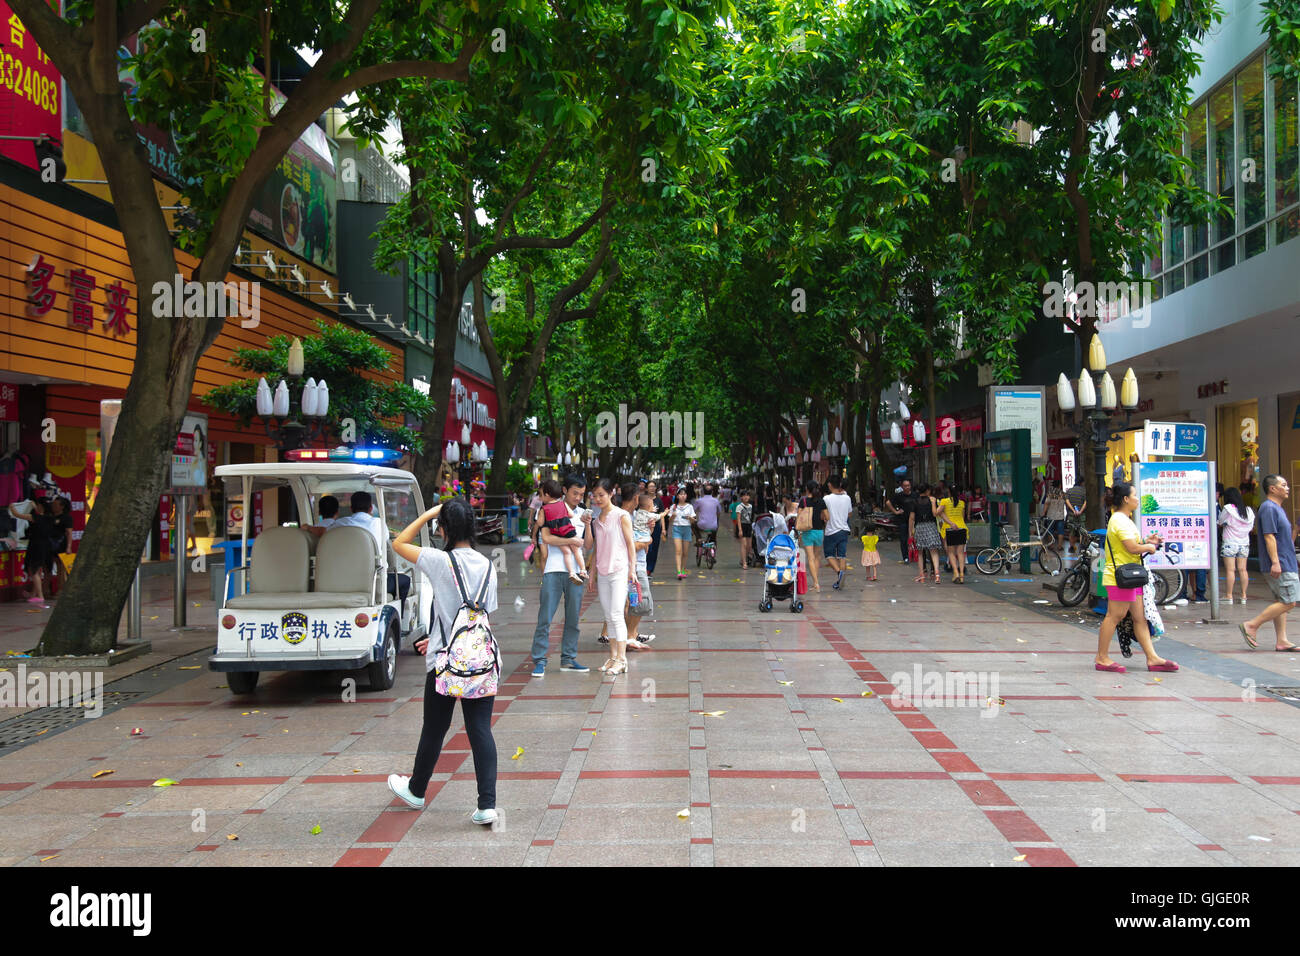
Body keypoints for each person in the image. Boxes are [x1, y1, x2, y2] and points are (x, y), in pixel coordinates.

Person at [386, 498, 499, 824]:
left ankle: (417, 790)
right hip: (480, 658)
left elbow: (398, 543)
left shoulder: (438, 560)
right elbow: (485, 611)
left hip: (443, 661)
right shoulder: (488, 565)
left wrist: (428, 513)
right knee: (480, 730)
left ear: (444, 527)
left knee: (435, 728)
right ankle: (487, 805)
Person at [1096, 481, 1178, 673]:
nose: (1137, 499)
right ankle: (1102, 657)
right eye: (1134, 495)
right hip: (1121, 577)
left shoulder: (1125, 519)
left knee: (1139, 618)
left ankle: (1152, 658)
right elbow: (1132, 548)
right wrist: (1149, 547)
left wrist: (1147, 542)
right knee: (1114, 616)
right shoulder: (1119, 520)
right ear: (1125, 499)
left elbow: (1133, 544)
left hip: (1131, 576)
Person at [530, 474, 592, 678]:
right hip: (553, 569)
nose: (578, 497)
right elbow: (546, 538)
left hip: (575, 571)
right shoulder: (550, 509)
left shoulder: (583, 513)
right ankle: (539, 660)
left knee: (573, 617)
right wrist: (572, 542)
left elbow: (588, 545)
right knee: (545, 617)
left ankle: (568, 658)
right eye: (575, 493)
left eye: (582, 494)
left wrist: (588, 525)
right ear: (564, 490)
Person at [1240, 475, 1299, 651]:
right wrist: (1275, 562)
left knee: (1282, 600)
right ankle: (1252, 625)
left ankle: (1282, 640)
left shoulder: (1277, 508)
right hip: (1281, 562)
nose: (1287, 488)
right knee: (1289, 602)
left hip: (1285, 561)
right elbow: (1269, 536)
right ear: (1272, 489)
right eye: (1283, 485)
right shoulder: (1268, 508)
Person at [589, 479, 638, 676]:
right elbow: (596, 547)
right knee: (609, 615)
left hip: (619, 570)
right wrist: (592, 572)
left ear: (611, 493)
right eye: (595, 495)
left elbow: (630, 544)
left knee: (617, 614)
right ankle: (613, 657)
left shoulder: (621, 516)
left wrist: (632, 569)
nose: (598, 499)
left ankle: (622, 659)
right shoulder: (596, 520)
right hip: (602, 571)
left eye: (602, 495)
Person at [537, 479, 587, 583]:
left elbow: (540, 523)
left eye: (541, 495)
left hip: (557, 533)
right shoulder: (563, 504)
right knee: (576, 550)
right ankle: (583, 570)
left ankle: (571, 572)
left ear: (546, 494)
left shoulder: (543, 508)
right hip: (568, 530)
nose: (540, 497)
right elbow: (571, 515)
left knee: (567, 552)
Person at [1218, 486, 1254, 606]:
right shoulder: (1248, 510)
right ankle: (1244, 596)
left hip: (1230, 542)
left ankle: (1229, 596)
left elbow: (1220, 522)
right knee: (1243, 570)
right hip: (1244, 543)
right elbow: (1251, 527)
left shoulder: (1228, 508)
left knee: (1230, 570)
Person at [22, 497, 55, 604]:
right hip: (45, 547)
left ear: (40, 506)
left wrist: (12, 507)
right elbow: (39, 513)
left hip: (36, 547)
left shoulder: (36, 518)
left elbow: (17, 514)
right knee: (39, 570)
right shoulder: (49, 518)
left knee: (34, 571)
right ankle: (34, 594)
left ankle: (40, 596)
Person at [909, 483, 943, 585]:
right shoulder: (932, 500)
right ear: (928, 490)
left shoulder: (914, 502)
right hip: (931, 526)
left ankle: (922, 575)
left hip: (919, 527)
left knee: (920, 552)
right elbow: (934, 514)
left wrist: (910, 532)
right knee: (934, 551)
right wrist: (933, 504)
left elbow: (911, 518)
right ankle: (937, 575)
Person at [823, 474, 853, 590]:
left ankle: (840, 573)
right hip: (844, 530)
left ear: (830, 485)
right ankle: (840, 580)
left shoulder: (826, 499)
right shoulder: (847, 498)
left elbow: (824, 516)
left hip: (831, 531)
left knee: (829, 555)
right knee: (842, 556)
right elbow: (849, 514)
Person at [799, 479, 827, 592]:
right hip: (819, 532)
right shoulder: (821, 501)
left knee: (810, 558)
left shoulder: (803, 501)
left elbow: (799, 517)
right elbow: (827, 517)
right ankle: (816, 582)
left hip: (807, 531)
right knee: (817, 557)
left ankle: (816, 583)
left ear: (807, 489)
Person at [938, 483, 968, 584]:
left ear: (949, 492)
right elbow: (962, 517)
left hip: (949, 529)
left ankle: (955, 573)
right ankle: (962, 575)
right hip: (962, 528)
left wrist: (949, 522)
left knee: (950, 552)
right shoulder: (962, 503)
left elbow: (937, 512)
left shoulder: (944, 501)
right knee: (960, 553)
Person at [665, 488, 696, 580]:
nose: (683, 496)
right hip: (676, 529)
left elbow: (693, 521)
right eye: (681, 494)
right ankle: (679, 572)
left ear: (686, 496)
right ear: (677, 496)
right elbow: (669, 521)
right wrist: (673, 516)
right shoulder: (673, 507)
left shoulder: (690, 506)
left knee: (685, 552)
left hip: (686, 529)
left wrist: (690, 518)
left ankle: (683, 569)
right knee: (678, 551)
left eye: (684, 494)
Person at [48, 496, 74, 591]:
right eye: (52, 504)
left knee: (61, 569)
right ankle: (47, 590)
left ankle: (61, 590)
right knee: (48, 568)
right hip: (48, 544)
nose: (53, 507)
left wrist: (68, 547)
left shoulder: (66, 518)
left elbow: (69, 533)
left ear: (62, 506)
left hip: (60, 545)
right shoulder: (49, 516)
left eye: (55, 505)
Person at [886, 478, 914, 563]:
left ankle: (916, 555)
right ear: (902, 487)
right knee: (903, 539)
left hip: (914, 520)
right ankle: (905, 556)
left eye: (908, 485)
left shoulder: (915, 495)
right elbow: (888, 502)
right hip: (903, 520)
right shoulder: (899, 495)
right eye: (905, 486)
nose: (907, 487)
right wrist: (896, 512)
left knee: (915, 538)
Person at [694, 483, 723, 559]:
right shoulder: (716, 501)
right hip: (713, 526)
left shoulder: (699, 501)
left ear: (703, 491)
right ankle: (713, 553)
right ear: (712, 492)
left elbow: (693, 511)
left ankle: (699, 538)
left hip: (702, 525)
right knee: (714, 536)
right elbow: (719, 512)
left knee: (693, 524)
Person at [645, 480, 665, 576]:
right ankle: (644, 567)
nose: (652, 488)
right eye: (650, 486)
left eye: (654, 486)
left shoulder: (659, 500)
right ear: (647, 488)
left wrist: (663, 529)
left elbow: (662, 515)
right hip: (645, 527)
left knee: (654, 548)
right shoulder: (643, 499)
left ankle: (650, 569)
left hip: (656, 527)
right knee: (647, 547)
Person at [1043, 483, 1067, 552]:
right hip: (1060, 516)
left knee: (1050, 531)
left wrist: (1043, 512)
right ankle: (1059, 546)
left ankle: (1051, 545)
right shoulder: (1063, 494)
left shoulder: (1050, 494)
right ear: (1060, 486)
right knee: (1061, 531)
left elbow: (1046, 503)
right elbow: (1066, 503)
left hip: (1051, 515)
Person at [734, 489, 754, 569]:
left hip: (749, 526)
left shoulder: (751, 506)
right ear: (741, 497)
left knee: (749, 546)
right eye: (744, 495)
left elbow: (751, 517)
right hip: (742, 525)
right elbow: (738, 519)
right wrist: (740, 530)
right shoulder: (739, 506)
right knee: (744, 544)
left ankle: (743, 559)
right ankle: (744, 563)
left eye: (747, 495)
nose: (746, 497)